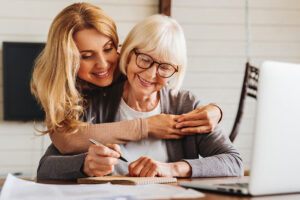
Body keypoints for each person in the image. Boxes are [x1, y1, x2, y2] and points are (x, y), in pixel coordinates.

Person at [37, 14, 243, 180]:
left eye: (165, 67)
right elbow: (46, 167)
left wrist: (173, 169)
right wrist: (83, 165)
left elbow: (234, 163)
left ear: (176, 71)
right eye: (144, 59)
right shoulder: (94, 100)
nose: (151, 74)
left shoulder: (185, 104)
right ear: (128, 52)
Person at [31, 2, 222, 154]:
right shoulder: (59, 84)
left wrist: (216, 110)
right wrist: (145, 126)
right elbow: (66, 140)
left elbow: (165, 81)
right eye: (86, 56)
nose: (104, 64)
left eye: (108, 49)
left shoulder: (133, 64)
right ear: (66, 60)